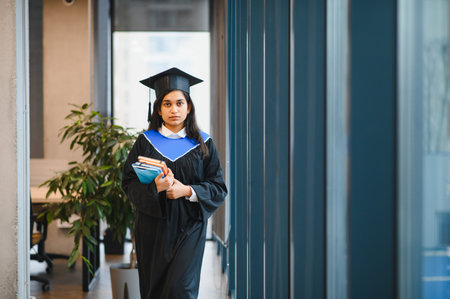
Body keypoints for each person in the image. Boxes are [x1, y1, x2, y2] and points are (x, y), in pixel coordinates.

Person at [122, 67, 227, 299]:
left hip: (189, 227)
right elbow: (128, 182)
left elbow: (218, 187)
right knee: (154, 290)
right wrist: (155, 188)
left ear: (189, 107)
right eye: (167, 104)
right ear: (158, 109)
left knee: (180, 290)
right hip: (152, 228)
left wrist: (186, 190)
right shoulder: (146, 142)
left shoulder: (203, 143)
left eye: (180, 103)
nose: (174, 110)